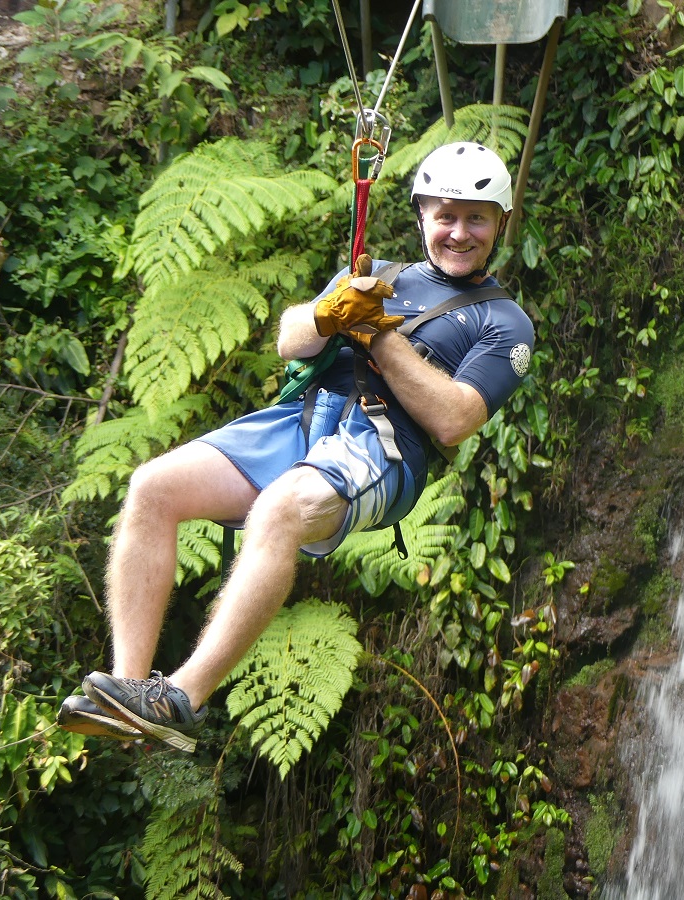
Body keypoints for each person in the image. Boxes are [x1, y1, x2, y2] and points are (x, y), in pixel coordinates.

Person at [57, 141, 535, 752]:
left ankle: (182, 698)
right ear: (421, 216)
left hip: (384, 444)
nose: (459, 232)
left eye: (477, 218)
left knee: (281, 510)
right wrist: (331, 311)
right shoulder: (374, 273)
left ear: (500, 223)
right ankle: (129, 692)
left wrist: (374, 335)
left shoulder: (504, 322)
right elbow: (291, 339)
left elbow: (454, 420)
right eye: (446, 215)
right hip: (304, 418)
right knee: (152, 486)